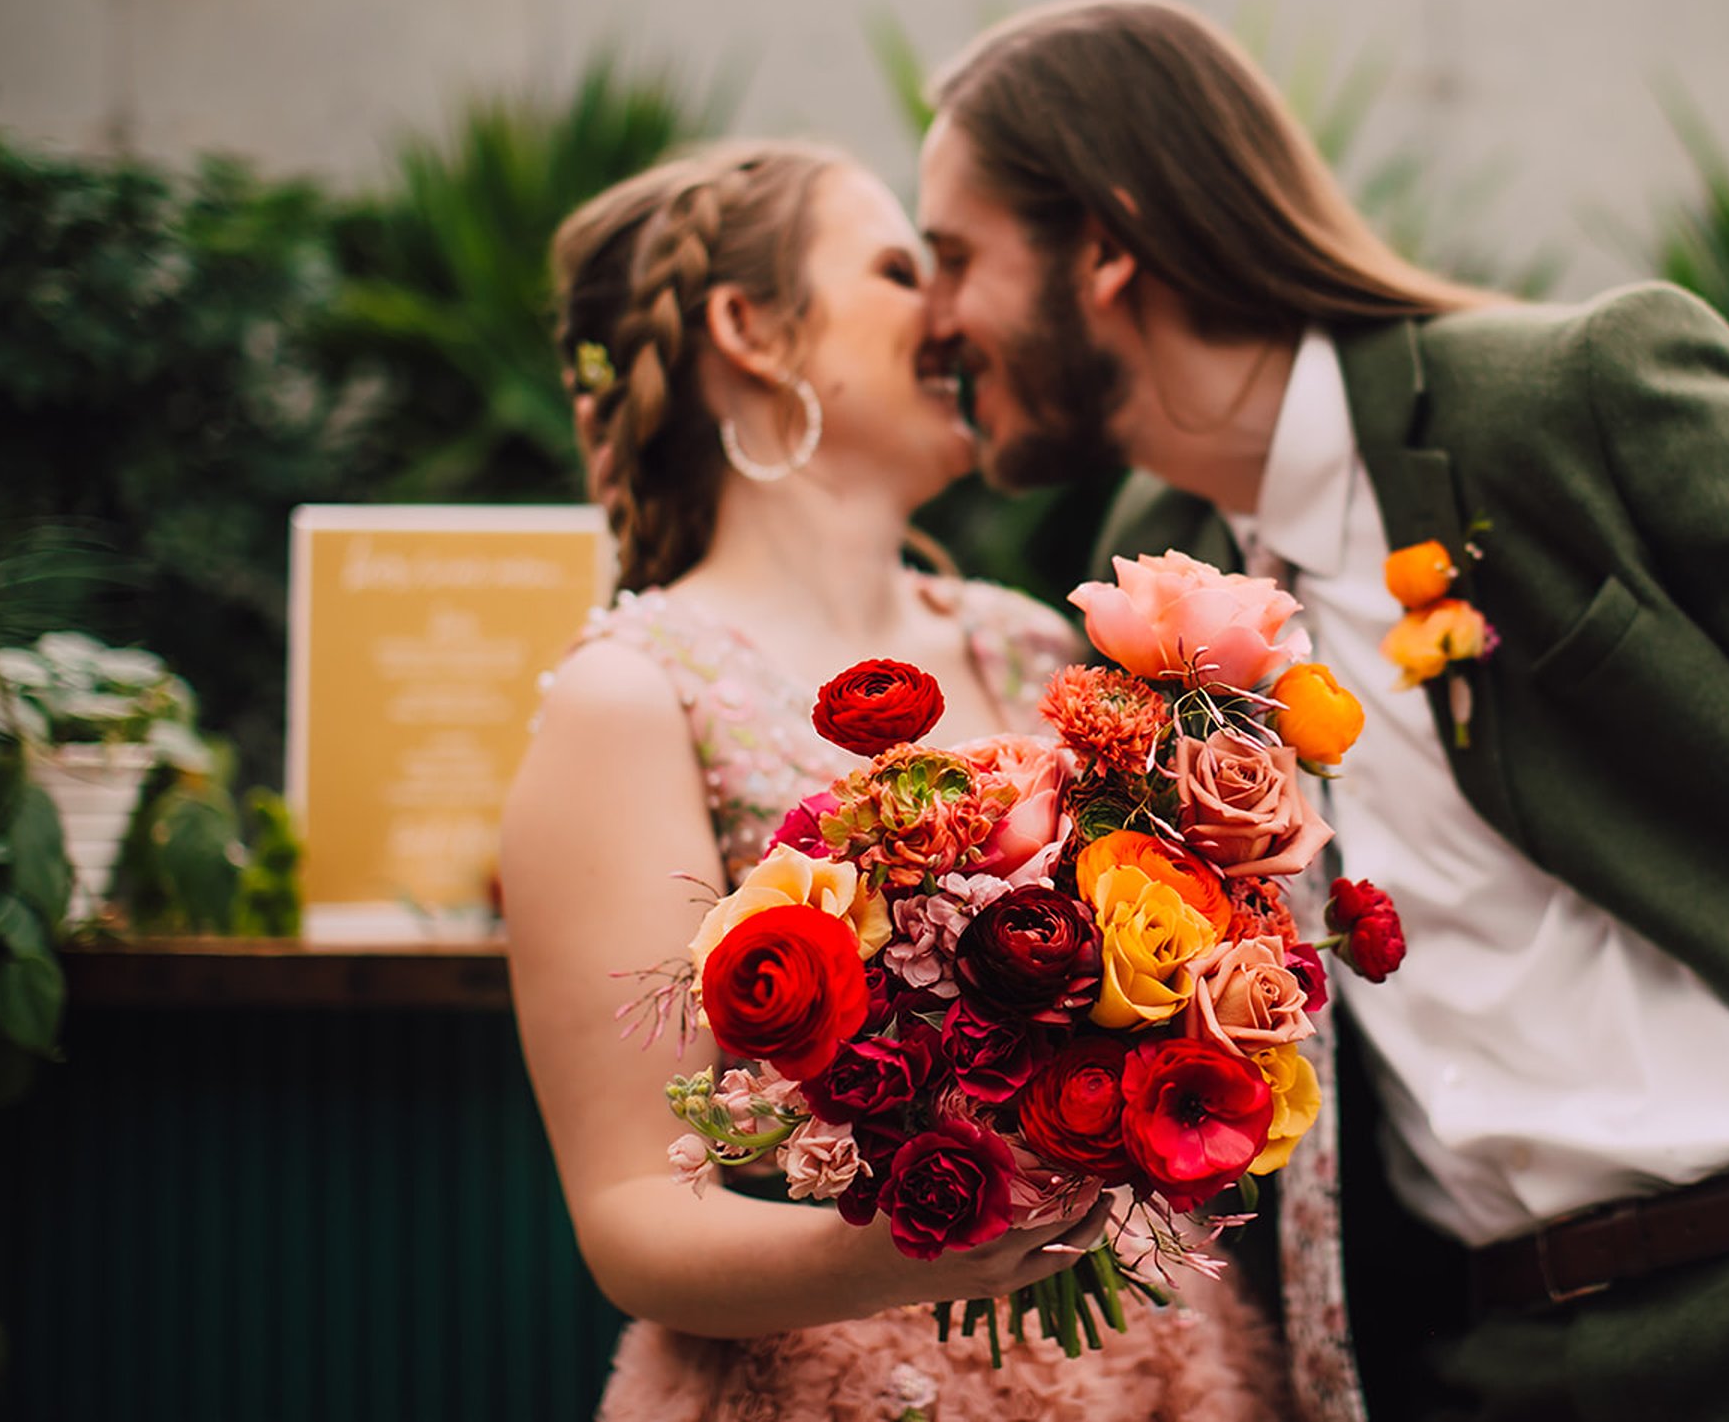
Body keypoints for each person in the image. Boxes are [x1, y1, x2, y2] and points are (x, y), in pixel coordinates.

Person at [911, 0, 1729, 1422]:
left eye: (950, 259)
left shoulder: (1570, 402)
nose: (931, 320)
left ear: (1111, 245)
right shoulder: (1154, 558)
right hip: (1486, 1357)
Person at [499, 140, 1293, 1420]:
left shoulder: (1038, 644)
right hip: (844, 1379)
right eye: (898, 267)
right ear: (751, 328)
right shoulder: (631, 698)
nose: (954, 311)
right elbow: (633, 1214)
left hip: (1153, 1364)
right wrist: (892, 1251)